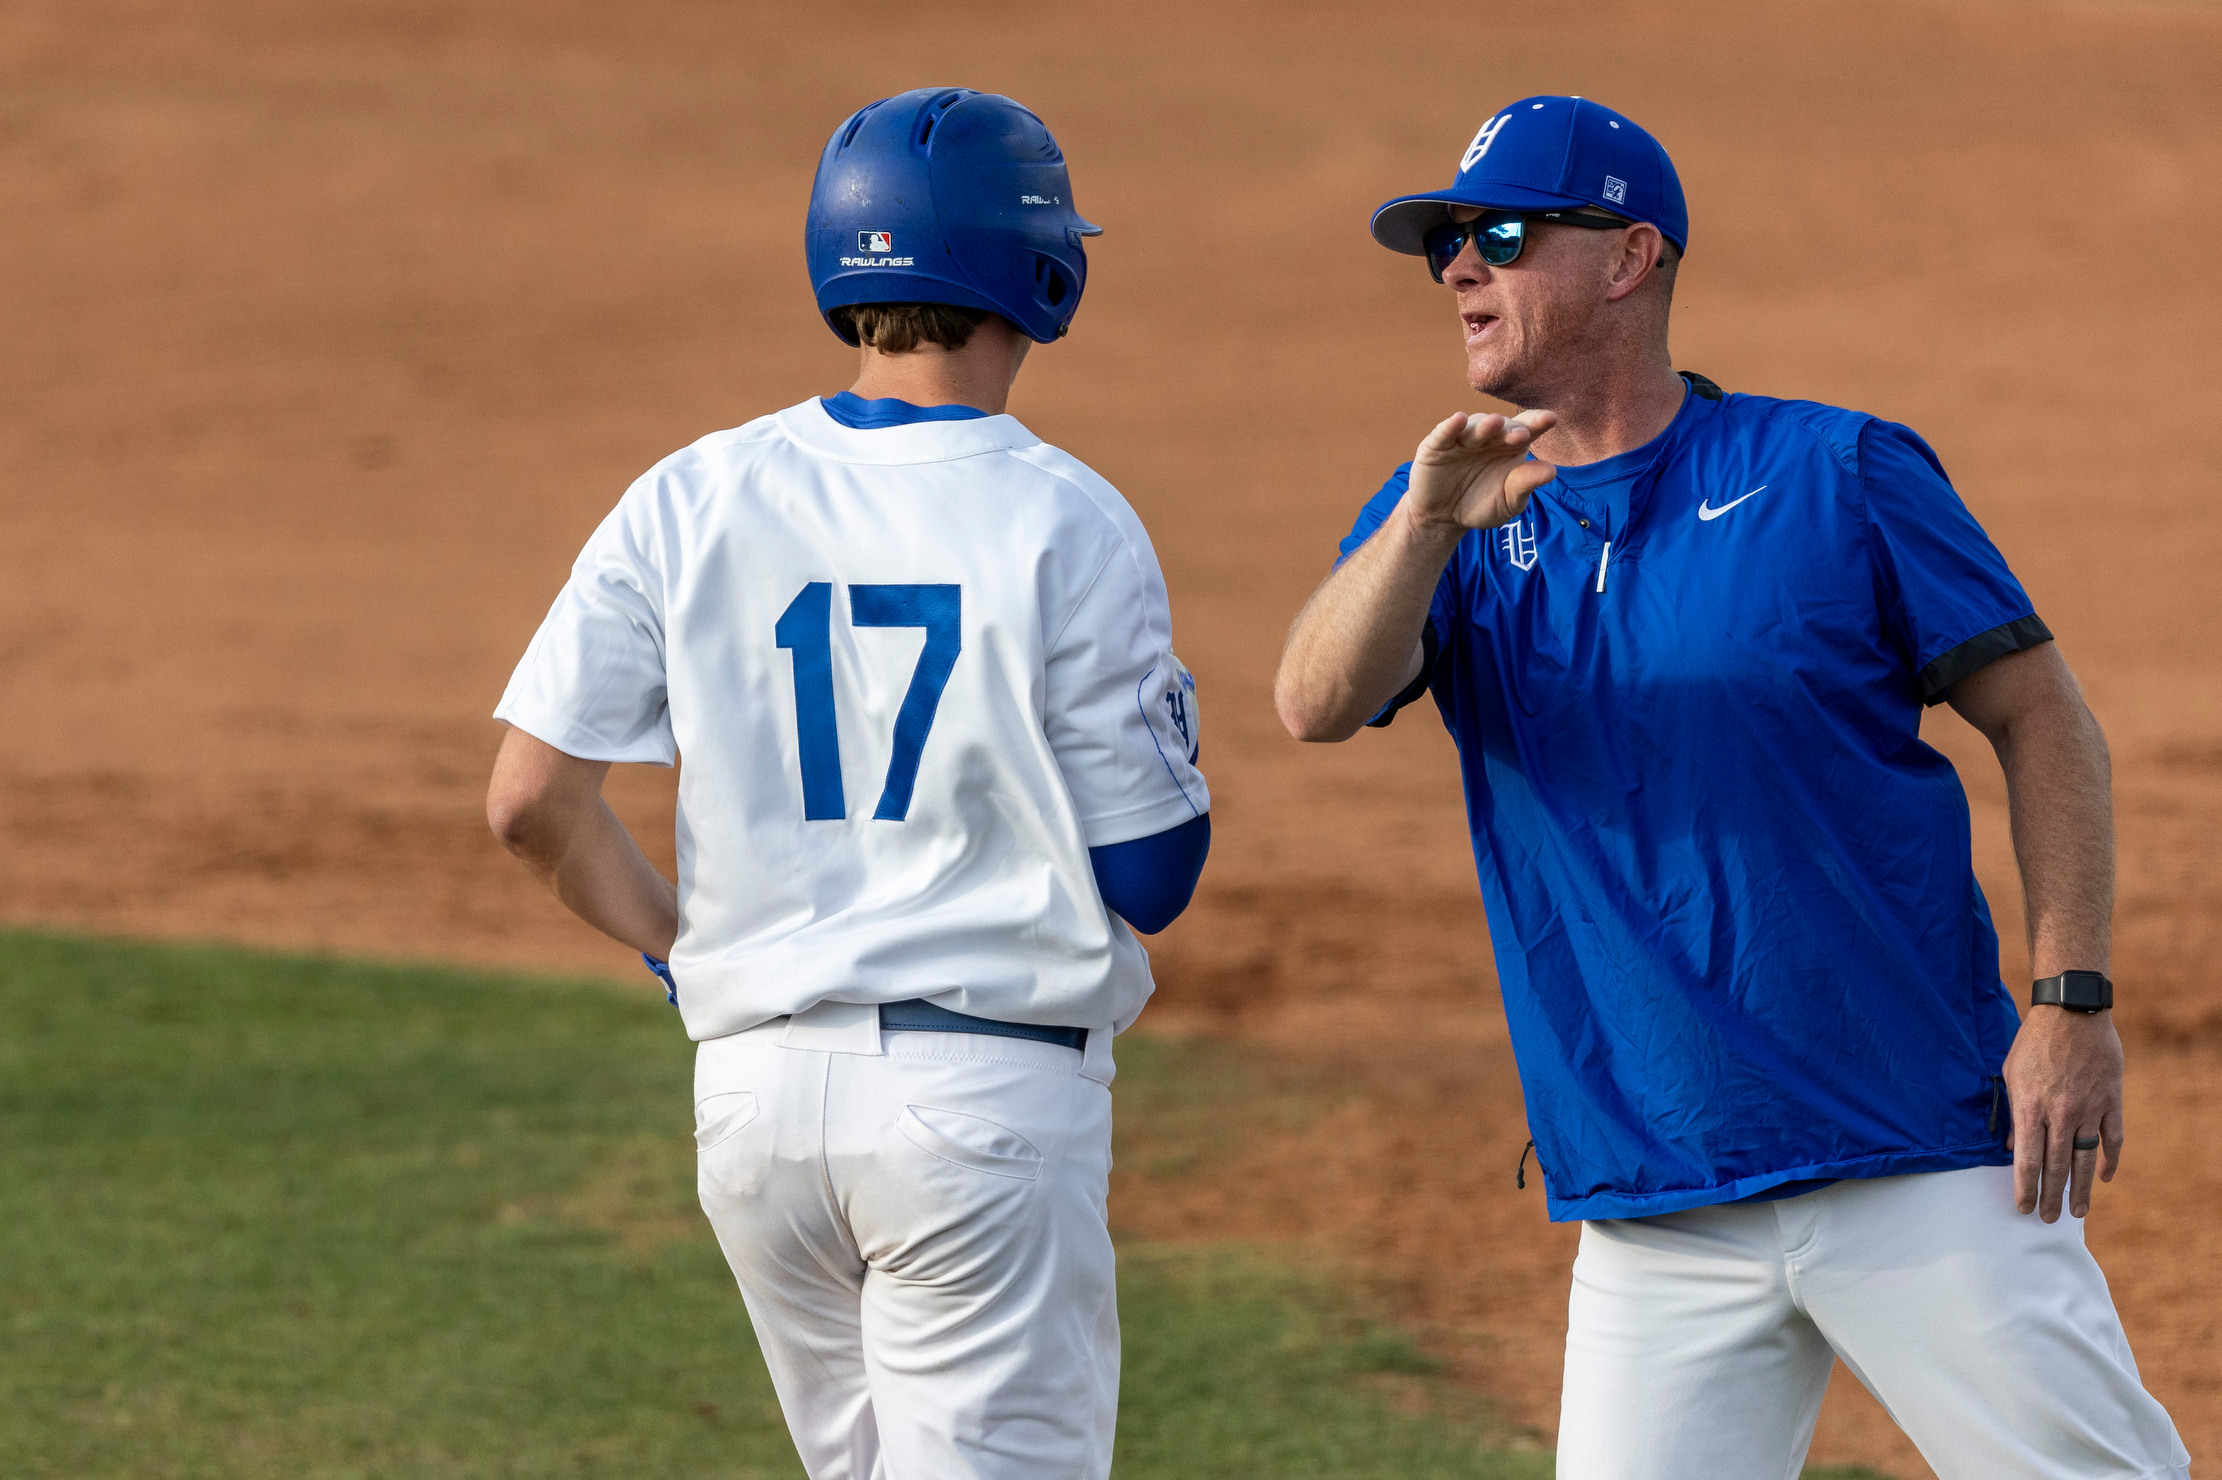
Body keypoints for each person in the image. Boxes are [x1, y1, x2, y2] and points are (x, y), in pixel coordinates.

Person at [1274, 94, 2186, 1479]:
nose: (1460, 267)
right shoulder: (1447, 511)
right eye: (1446, 244)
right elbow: (1313, 704)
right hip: (1652, 1202)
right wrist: (1415, 527)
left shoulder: (1832, 473)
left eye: (1499, 233)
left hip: (1913, 1157)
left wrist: (2068, 1001)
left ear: (1629, 259)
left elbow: (2043, 719)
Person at [485, 87, 1209, 1480]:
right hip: (977, 1114)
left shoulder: (687, 494)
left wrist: (684, 949)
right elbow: (1151, 880)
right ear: (1042, 269)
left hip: (752, 1113)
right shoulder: (1064, 512)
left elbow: (529, 802)